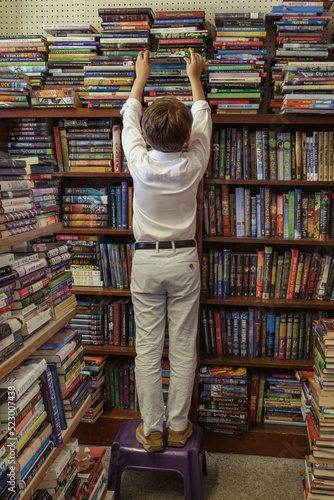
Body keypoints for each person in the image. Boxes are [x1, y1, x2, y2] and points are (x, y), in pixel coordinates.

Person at [120, 48, 212, 452]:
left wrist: (141, 76)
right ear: (186, 138)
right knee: (183, 343)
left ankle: (152, 430)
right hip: (183, 260)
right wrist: (195, 76)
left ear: (146, 135)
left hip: (146, 260)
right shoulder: (194, 161)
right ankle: (178, 427)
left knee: (147, 348)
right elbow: (203, 115)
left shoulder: (138, 161)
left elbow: (128, 117)